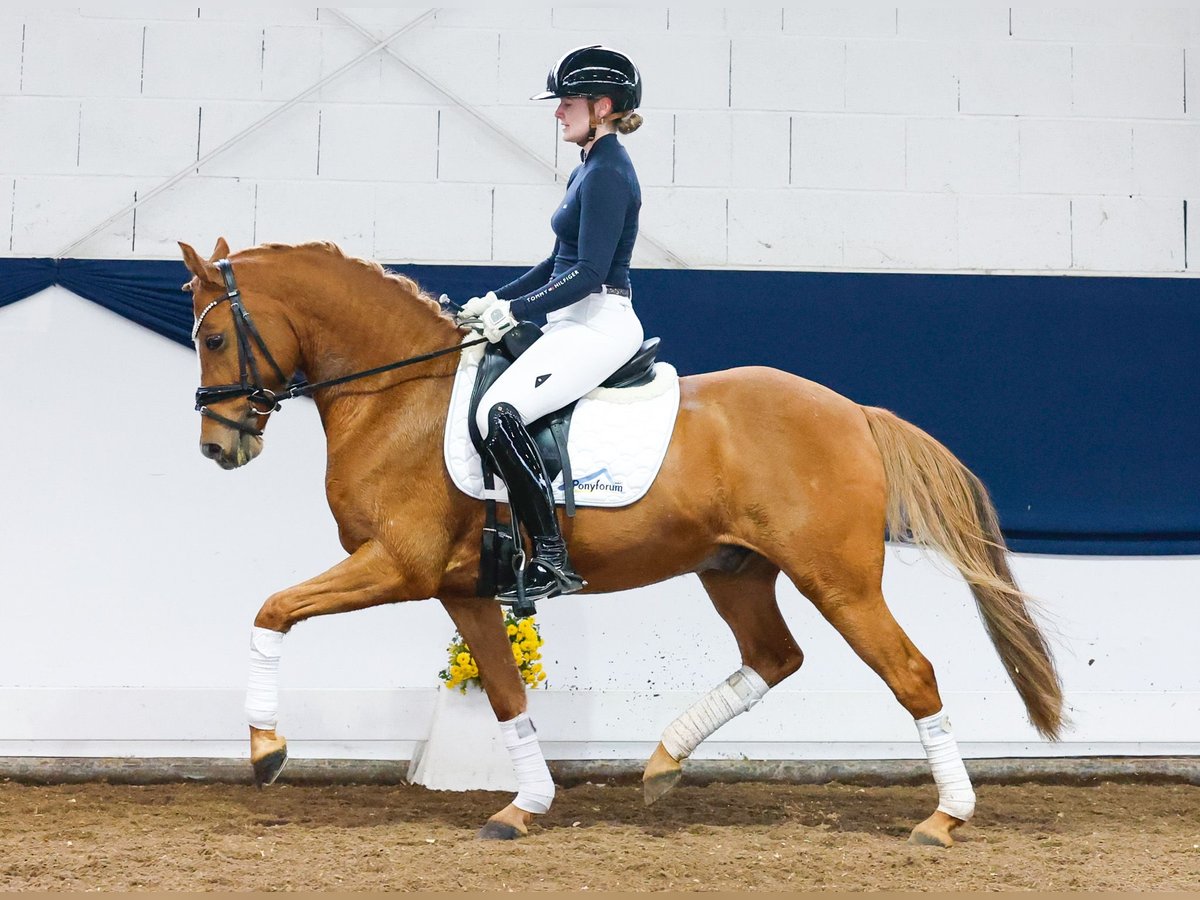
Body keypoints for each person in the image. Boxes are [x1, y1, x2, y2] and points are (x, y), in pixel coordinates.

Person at [457, 45, 646, 603]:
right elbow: (555, 263)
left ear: (603, 106)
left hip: (600, 321)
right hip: (573, 320)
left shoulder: (610, 172)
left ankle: (551, 557)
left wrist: (514, 312)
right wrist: (494, 299)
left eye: (567, 103)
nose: (558, 113)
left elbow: (587, 273)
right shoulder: (588, 167)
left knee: (499, 412)